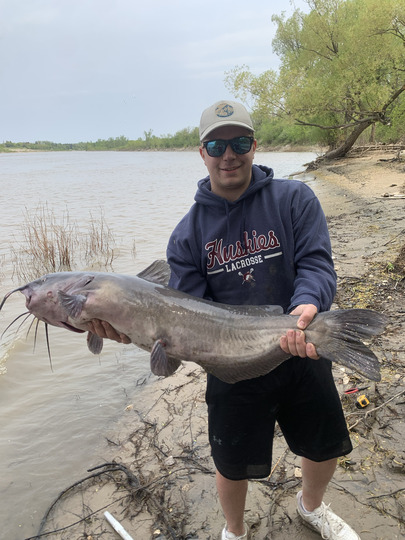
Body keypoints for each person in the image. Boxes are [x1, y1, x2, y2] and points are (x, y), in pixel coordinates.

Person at [89, 100, 360, 540]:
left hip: (303, 349)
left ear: (254, 145)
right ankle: (234, 530)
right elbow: (188, 318)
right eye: (216, 146)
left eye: (238, 143)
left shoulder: (295, 199)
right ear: (202, 153)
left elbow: (316, 264)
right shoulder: (186, 236)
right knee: (231, 464)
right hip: (231, 369)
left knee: (322, 444)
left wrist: (308, 305)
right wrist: (136, 331)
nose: (228, 155)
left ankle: (311, 507)